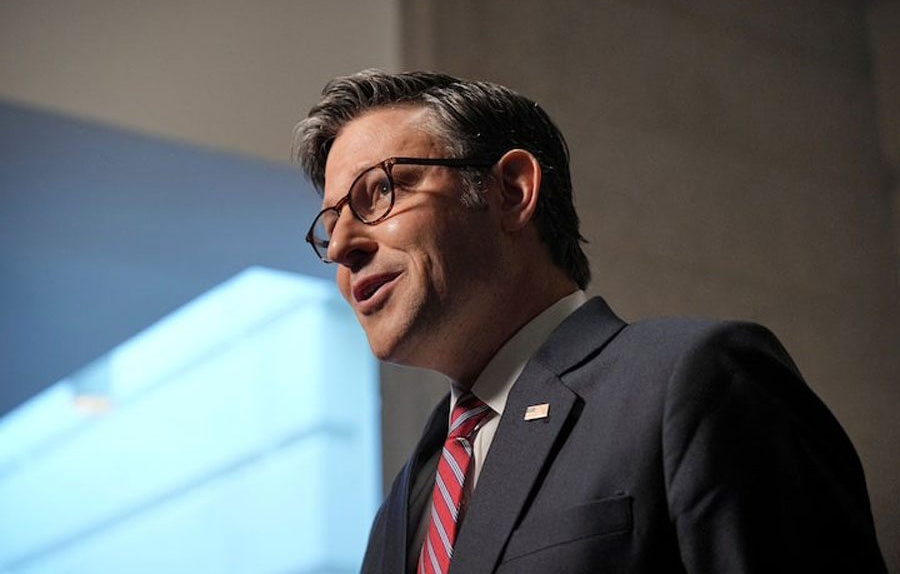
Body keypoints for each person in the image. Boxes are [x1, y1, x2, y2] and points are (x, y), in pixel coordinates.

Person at [294, 70, 886, 573]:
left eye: (379, 193)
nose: (343, 244)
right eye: (330, 222)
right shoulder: (403, 503)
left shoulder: (696, 378)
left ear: (511, 191)